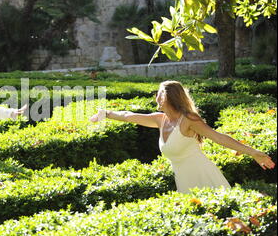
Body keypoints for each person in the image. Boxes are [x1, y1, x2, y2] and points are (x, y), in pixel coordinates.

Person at [90, 80, 275, 194]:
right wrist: (105, 113)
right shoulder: (160, 120)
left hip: (203, 176)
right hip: (184, 180)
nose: (155, 96)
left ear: (168, 97)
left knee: (214, 226)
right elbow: (128, 116)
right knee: (198, 232)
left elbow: (219, 138)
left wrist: (253, 153)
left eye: (159, 92)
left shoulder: (189, 120)